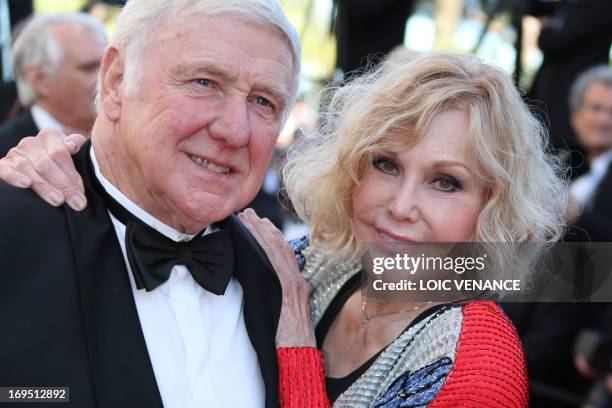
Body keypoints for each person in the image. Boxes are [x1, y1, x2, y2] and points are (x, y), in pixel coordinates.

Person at [1, 52, 566, 406]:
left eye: (447, 182)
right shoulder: (309, 261)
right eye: (385, 165)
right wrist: (56, 164)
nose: (401, 206)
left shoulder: (479, 361)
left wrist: (296, 351)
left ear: (494, 206)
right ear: (349, 168)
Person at [0, 0, 301, 407]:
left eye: (263, 101)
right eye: (204, 82)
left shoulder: (282, 276)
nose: (234, 130)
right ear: (116, 81)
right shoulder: (14, 236)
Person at [0, 13, 107, 156]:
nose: (106, 77)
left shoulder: (123, 138)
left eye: (108, 64)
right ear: (41, 81)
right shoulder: (5, 154)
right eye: (89, 68)